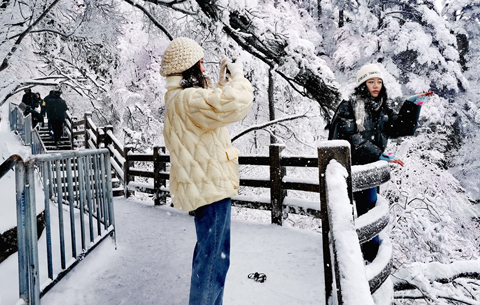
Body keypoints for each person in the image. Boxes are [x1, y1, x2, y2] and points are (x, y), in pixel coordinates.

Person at [160, 37, 253, 305]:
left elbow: (210, 114)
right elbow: (235, 104)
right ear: (188, 68)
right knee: (213, 263)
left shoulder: (177, 99)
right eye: (200, 64)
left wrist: (222, 84)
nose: (204, 69)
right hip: (209, 189)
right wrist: (238, 76)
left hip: (203, 188)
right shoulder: (188, 99)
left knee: (209, 258)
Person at [328, 63, 431, 262]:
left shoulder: (381, 109)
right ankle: (358, 259)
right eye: (370, 81)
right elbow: (349, 137)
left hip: (369, 169)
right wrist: (377, 153)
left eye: (379, 81)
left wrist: (411, 105)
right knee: (354, 214)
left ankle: (366, 257)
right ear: (362, 84)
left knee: (370, 211)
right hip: (348, 170)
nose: (376, 85)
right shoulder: (349, 106)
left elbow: (401, 128)